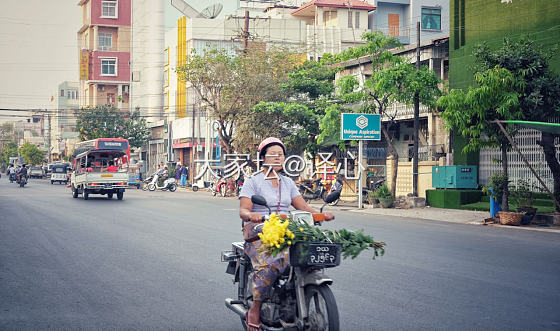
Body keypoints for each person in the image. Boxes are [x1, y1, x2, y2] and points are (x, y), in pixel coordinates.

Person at [239, 137, 334, 331]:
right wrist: (252, 215)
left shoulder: (288, 182)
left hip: (286, 231)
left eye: (280, 155)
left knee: (305, 255)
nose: (277, 158)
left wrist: (322, 214)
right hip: (260, 234)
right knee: (271, 262)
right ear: (263, 158)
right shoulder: (253, 182)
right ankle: (255, 310)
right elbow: (243, 210)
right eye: (272, 155)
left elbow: (304, 207)